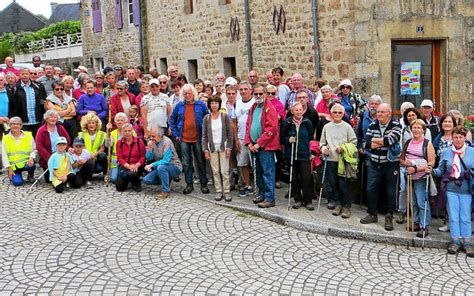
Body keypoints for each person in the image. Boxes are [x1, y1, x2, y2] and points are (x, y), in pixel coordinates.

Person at [433, 126, 473, 257]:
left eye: (460, 137)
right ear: (452, 138)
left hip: (466, 189)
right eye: (455, 137)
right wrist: (430, 170)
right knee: (453, 216)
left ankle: (467, 242)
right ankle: (455, 241)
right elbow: (440, 170)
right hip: (450, 188)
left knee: (465, 216)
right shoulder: (446, 151)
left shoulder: (472, 151)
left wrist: (468, 173)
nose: (458, 139)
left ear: (465, 138)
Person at [360, 103, 402, 231]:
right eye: (378, 112)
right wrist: (382, 141)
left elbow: (391, 140)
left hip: (390, 163)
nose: (379, 114)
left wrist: (375, 140)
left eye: (382, 112)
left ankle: (389, 216)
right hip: (374, 162)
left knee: (390, 191)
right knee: (370, 189)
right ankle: (372, 213)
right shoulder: (373, 124)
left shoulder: (396, 125)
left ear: (389, 113)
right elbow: (366, 143)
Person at [244, 83, 281, 208]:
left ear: (265, 94)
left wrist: (259, 143)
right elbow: (249, 125)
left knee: (267, 172)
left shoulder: (270, 108)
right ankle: (261, 194)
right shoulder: (253, 107)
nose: (258, 96)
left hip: (266, 147)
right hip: (254, 145)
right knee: (258, 172)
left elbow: (271, 129)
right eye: (256, 94)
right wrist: (249, 142)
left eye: (261, 93)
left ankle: (270, 198)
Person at [170, 83, 210, 194]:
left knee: (200, 161)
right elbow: (172, 120)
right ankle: (189, 184)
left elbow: (207, 118)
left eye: (189, 93)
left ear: (193, 94)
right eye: (185, 94)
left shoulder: (201, 105)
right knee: (187, 162)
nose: (188, 95)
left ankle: (203, 184)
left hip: (198, 137)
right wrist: (175, 134)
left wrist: (205, 135)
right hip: (184, 138)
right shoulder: (179, 105)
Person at [319, 104, 358, 216]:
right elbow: (321, 143)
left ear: (343, 114)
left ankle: (346, 206)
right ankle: (337, 204)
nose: (337, 114)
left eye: (339, 112)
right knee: (333, 183)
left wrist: (344, 148)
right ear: (331, 113)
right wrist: (323, 148)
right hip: (330, 159)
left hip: (343, 160)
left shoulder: (347, 127)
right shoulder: (326, 127)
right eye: (335, 112)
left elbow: (354, 142)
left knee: (344, 185)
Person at [400, 119, 435, 237]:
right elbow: (401, 159)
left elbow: (431, 162)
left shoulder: (427, 144)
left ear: (423, 130)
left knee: (422, 202)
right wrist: (407, 164)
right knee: (413, 201)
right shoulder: (408, 142)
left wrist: (415, 168)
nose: (416, 130)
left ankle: (424, 225)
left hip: (421, 177)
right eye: (414, 127)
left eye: (419, 128)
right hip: (409, 176)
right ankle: (415, 222)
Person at [282, 102, 315, 210]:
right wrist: (288, 139)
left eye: (300, 110)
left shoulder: (307, 122)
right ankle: (298, 199)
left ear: (303, 111)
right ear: (292, 111)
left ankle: (308, 200)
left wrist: (311, 152)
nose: (298, 112)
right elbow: (282, 137)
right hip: (291, 154)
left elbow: (310, 138)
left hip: (304, 154)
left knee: (306, 178)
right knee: (294, 178)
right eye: (296, 110)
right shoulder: (288, 122)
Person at [202, 95, 234, 201]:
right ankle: (218, 191)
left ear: (219, 104)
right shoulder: (206, 118)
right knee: (215, 171)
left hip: (224, 147)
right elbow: (204, 136)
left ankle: (227, 192)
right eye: (212, 103)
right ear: (209, 105)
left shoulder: (224, 116)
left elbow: (230, 134)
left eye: (216, 103)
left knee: (224, 171)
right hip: (212, 148)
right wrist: (205, 150)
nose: (214, 105)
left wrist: (229, 147)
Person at [144, 127, 182, 198]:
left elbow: (166, 160)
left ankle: (165, 191)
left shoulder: (167, 142)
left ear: (161, 135)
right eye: (150, 136)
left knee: (161, 167)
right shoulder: (152, 142)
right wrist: (150, 149)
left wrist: (152, 165)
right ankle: (167, 180)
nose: (151, 138)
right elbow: (148, 158)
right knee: (146, 180)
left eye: (153, 136)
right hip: (160, 167)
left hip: (174, 166)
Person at [9, 67, 47, 136]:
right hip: (22, 122)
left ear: (29, 75)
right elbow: (12, 105)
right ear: (19, 75)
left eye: (26, 73)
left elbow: (43, 101)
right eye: (22, 74)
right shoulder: (14, 88)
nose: (25, 75)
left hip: (37, 120)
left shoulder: (38, 86)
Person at [36, 110, 71, 182]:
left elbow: (67, 140)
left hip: (62, 156)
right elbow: (39, 146)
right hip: (48, 158)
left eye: (55, 117)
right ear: (46, 119)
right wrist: (51, 158)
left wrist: (65, 151)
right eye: (51, 117)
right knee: (49, 180)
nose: (53, 119)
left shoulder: (61, 128)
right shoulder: (41, 130)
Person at [2, 117, 37, 186]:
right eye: (13, 124)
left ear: (21, 126)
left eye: (18, 124)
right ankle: (13, 175)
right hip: (14, 166)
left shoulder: (28, 135)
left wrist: (31, 158)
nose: (15, 126)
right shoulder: (5, 138)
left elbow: (33, 149)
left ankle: (30, 175)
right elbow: (4, 155)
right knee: (18, 183)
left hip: (26, 163)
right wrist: (9, 168)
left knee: (32, 166)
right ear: (9, 125)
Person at [235, 81, 255, 197]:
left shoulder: (254, 102)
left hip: (253, 139)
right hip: (241, 137)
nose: (243, 91)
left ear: (250, 90)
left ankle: (258, 186)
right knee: (243, 163)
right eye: (241, 89)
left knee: (255, 164)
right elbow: (234, 121)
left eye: (245, 89)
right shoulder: (237, 103)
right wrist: (236, 139)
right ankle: (248, 185)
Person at [115, 123, 146, 192]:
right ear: (122, 132)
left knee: (132, 173)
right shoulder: (119, 143)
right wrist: (129, 166)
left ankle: (136, 182)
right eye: (125, 131)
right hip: (125, 166)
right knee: (119, 188)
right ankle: (128, 180)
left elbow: (143, 157)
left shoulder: (139, 141)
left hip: (137, 166)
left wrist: (136, 165)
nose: (127, 133)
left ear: (132, 131)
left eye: (129, 130)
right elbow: (120, 158)